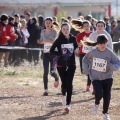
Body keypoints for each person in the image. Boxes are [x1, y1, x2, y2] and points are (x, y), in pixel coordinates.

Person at [82, 34, 120, 120]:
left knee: (107, 96)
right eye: (101, 43)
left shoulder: (110, 53)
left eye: (105, 43)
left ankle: (105, 113)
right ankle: (96, 104)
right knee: (99, 94)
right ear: (98, 44)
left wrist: (110, 65)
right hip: (96, 77)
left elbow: (117, 63)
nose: (103, 45)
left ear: (107, 43)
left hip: (108, 77)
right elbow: (85, 59)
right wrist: (86, 69)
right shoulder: (93, 52)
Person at [50, 22, 78, 113]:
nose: (66, 30)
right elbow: (51, 50)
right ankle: (63, 94)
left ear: (69, 29)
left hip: (71, 64)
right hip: (61, 64)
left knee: (70, 83)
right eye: (64, 29)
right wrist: (61, 53)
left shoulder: (73, 38)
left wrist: (78, 50)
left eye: (67, 29)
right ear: (61, 30)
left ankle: (68, 104)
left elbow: (76, 48)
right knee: (64, 83)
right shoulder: (59, 40)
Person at [37, 17, 59, 96]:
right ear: (44, 24)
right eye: (46, 23)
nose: (48, 24)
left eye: (49, 23)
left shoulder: (54, 32)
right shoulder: (42, 31)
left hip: (53, 54)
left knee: (52, 72)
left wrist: (50, 41)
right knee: (45, 71)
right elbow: (41, 40)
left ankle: (56, 78)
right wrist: (40, 41)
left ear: (51, 23)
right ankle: (45, 90)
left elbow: (57, 42)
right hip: (46, 53)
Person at [74, 20, 92, 91]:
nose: (86, 27)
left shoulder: (93, 34)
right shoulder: (80, 35)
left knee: (90, 70)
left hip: (91, 54)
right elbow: (77, 44)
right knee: (83, 70)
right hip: (82, 54)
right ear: (83, 27)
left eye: (87, 26)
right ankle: (91, 76)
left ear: (90, 26)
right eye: (85, 26)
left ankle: (88, 85)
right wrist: (81, 43)